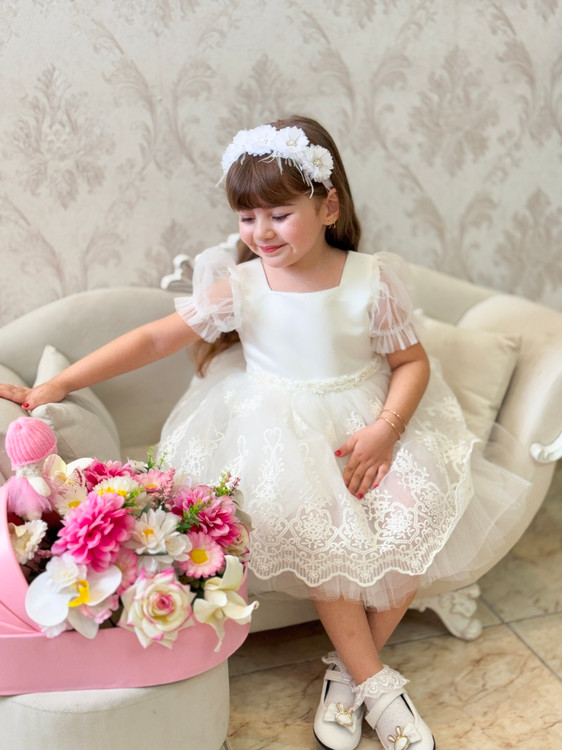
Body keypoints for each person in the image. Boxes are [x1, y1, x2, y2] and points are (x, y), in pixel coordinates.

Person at [0, 116, 529, 750]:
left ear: (327, 206)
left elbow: (411, 363)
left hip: (366, 423)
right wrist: (58, 384)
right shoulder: (243, 286)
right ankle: (378, 685)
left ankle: (348, 677)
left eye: (279, 214)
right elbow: (153, 339)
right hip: (278, 434)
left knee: (416, 518)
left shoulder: (371, 278)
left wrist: (387, 431)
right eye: (248, 218)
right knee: (322, 529)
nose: (261, 232)